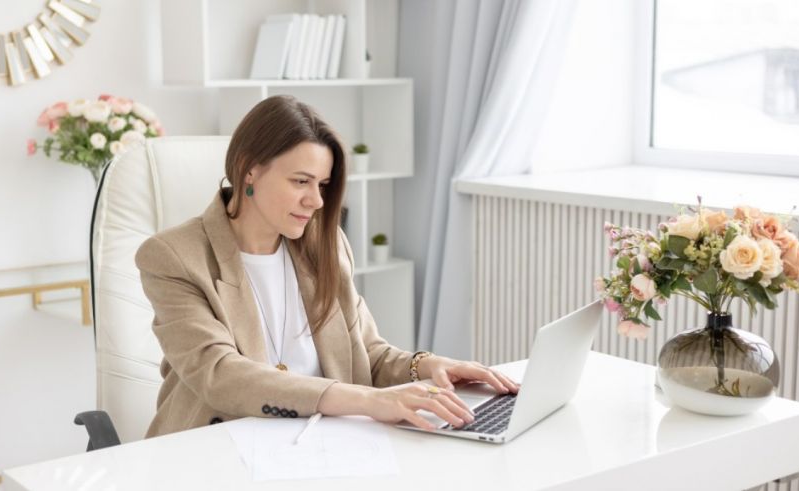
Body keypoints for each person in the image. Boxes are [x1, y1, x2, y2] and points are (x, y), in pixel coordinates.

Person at [135, 95, 518, 438]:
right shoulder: (173, 257)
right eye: (301, 181)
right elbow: (220, 374)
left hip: (320, 444)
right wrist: (366, 401)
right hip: (217, 448)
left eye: (323, 184)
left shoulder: (326, 244)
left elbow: (366, 354)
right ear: (248, 169)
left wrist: (428, 366)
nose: (316, 201)